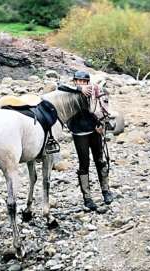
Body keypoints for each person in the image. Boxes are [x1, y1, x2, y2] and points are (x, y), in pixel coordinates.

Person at [57, 70, 112, 211]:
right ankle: (87, 198)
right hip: (79, 133)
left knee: (100, 160)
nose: (81, 83)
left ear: (88, 81)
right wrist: (79, 89)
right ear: (75, 81)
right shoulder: (70, 92)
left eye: (83, 81)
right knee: (84, 164)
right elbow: (59, 86)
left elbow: (99, 108)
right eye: (78, 81)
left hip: (94, 130)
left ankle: (106, 191)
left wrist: (100, 124)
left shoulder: (93, 92)